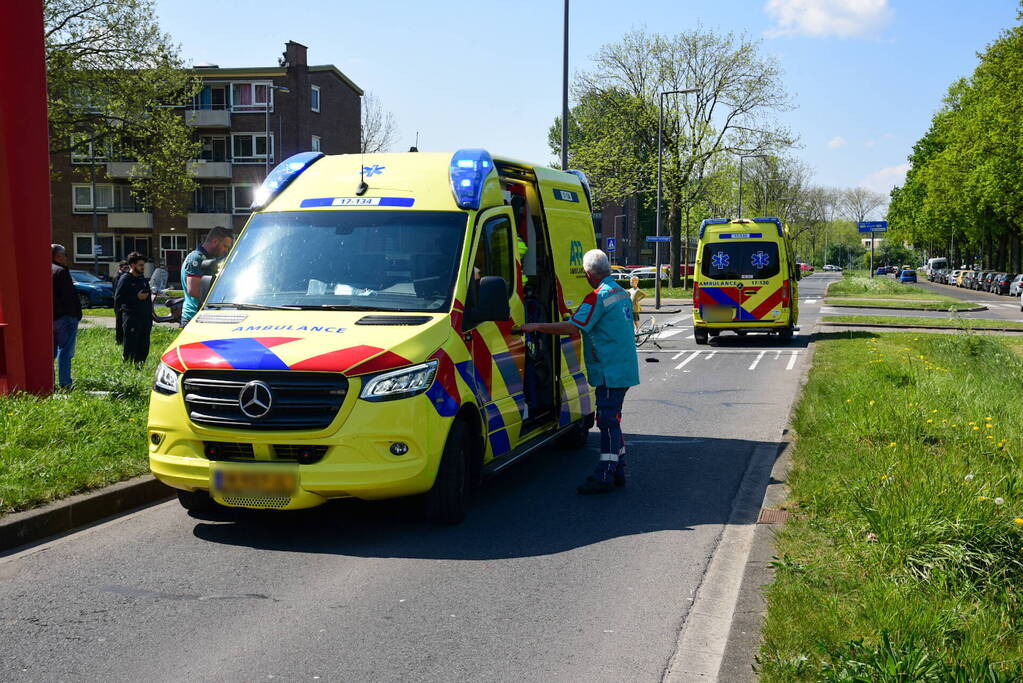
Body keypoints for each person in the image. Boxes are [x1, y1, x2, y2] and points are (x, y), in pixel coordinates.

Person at [520, 249, 640, 494]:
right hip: (623, 366)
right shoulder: (619, 292)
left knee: (607, 421)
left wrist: (537, 326)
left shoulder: (597, 297)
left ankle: (605, 474)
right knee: (613, 419)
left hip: (609, 369)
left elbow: (573, 327)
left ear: (588, 274)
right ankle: (618, 468)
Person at [180, 226, 233, 326]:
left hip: (205, 316)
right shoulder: (196, 258)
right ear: (215, 241)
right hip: (193, 318)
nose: (226, 251)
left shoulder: (210, 259)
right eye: (225, 246)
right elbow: (194, 291)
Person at [51, 244, 82, 390]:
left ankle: (49, 382)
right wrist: (75, 314)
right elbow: (69, 296)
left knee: (51, 352)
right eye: (65, 255)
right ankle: (65, 383)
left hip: (51, 318)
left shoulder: (46, 269)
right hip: (66, 317)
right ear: (58, 256)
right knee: (66, 352)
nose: (66, 258)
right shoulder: (61, 271)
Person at [114, 252, 154, 366]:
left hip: (145, 318)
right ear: (132, 265)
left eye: (143, 265)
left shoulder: (143, 279)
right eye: (140, 265)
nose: (143, 267)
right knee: (131, 346)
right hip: (132, 318)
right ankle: (127, 368)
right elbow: (119, 299)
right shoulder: (125, 279)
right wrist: (136, 297)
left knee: (144, 345)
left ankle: (140, 367)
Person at [112, 261, 130, 345]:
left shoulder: (124, 276)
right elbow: (117, 292)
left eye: (127, 268)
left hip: (123, 303)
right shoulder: (118, 277)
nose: (126, 270)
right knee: (119, 322)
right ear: (120, 268)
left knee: (124, 322)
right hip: (119, 303)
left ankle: (123, 339)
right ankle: (119, 340)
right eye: (125, 268)